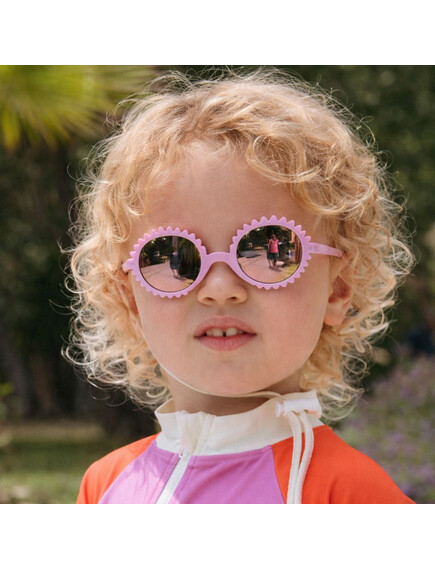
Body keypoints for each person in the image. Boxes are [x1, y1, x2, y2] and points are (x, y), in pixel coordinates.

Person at [68, 69, 415, 504]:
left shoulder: (350, 494)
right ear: (129, 298)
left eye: (269, 250)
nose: (219, 288)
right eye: (172, 257)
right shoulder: (105, 485)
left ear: (338, 289)